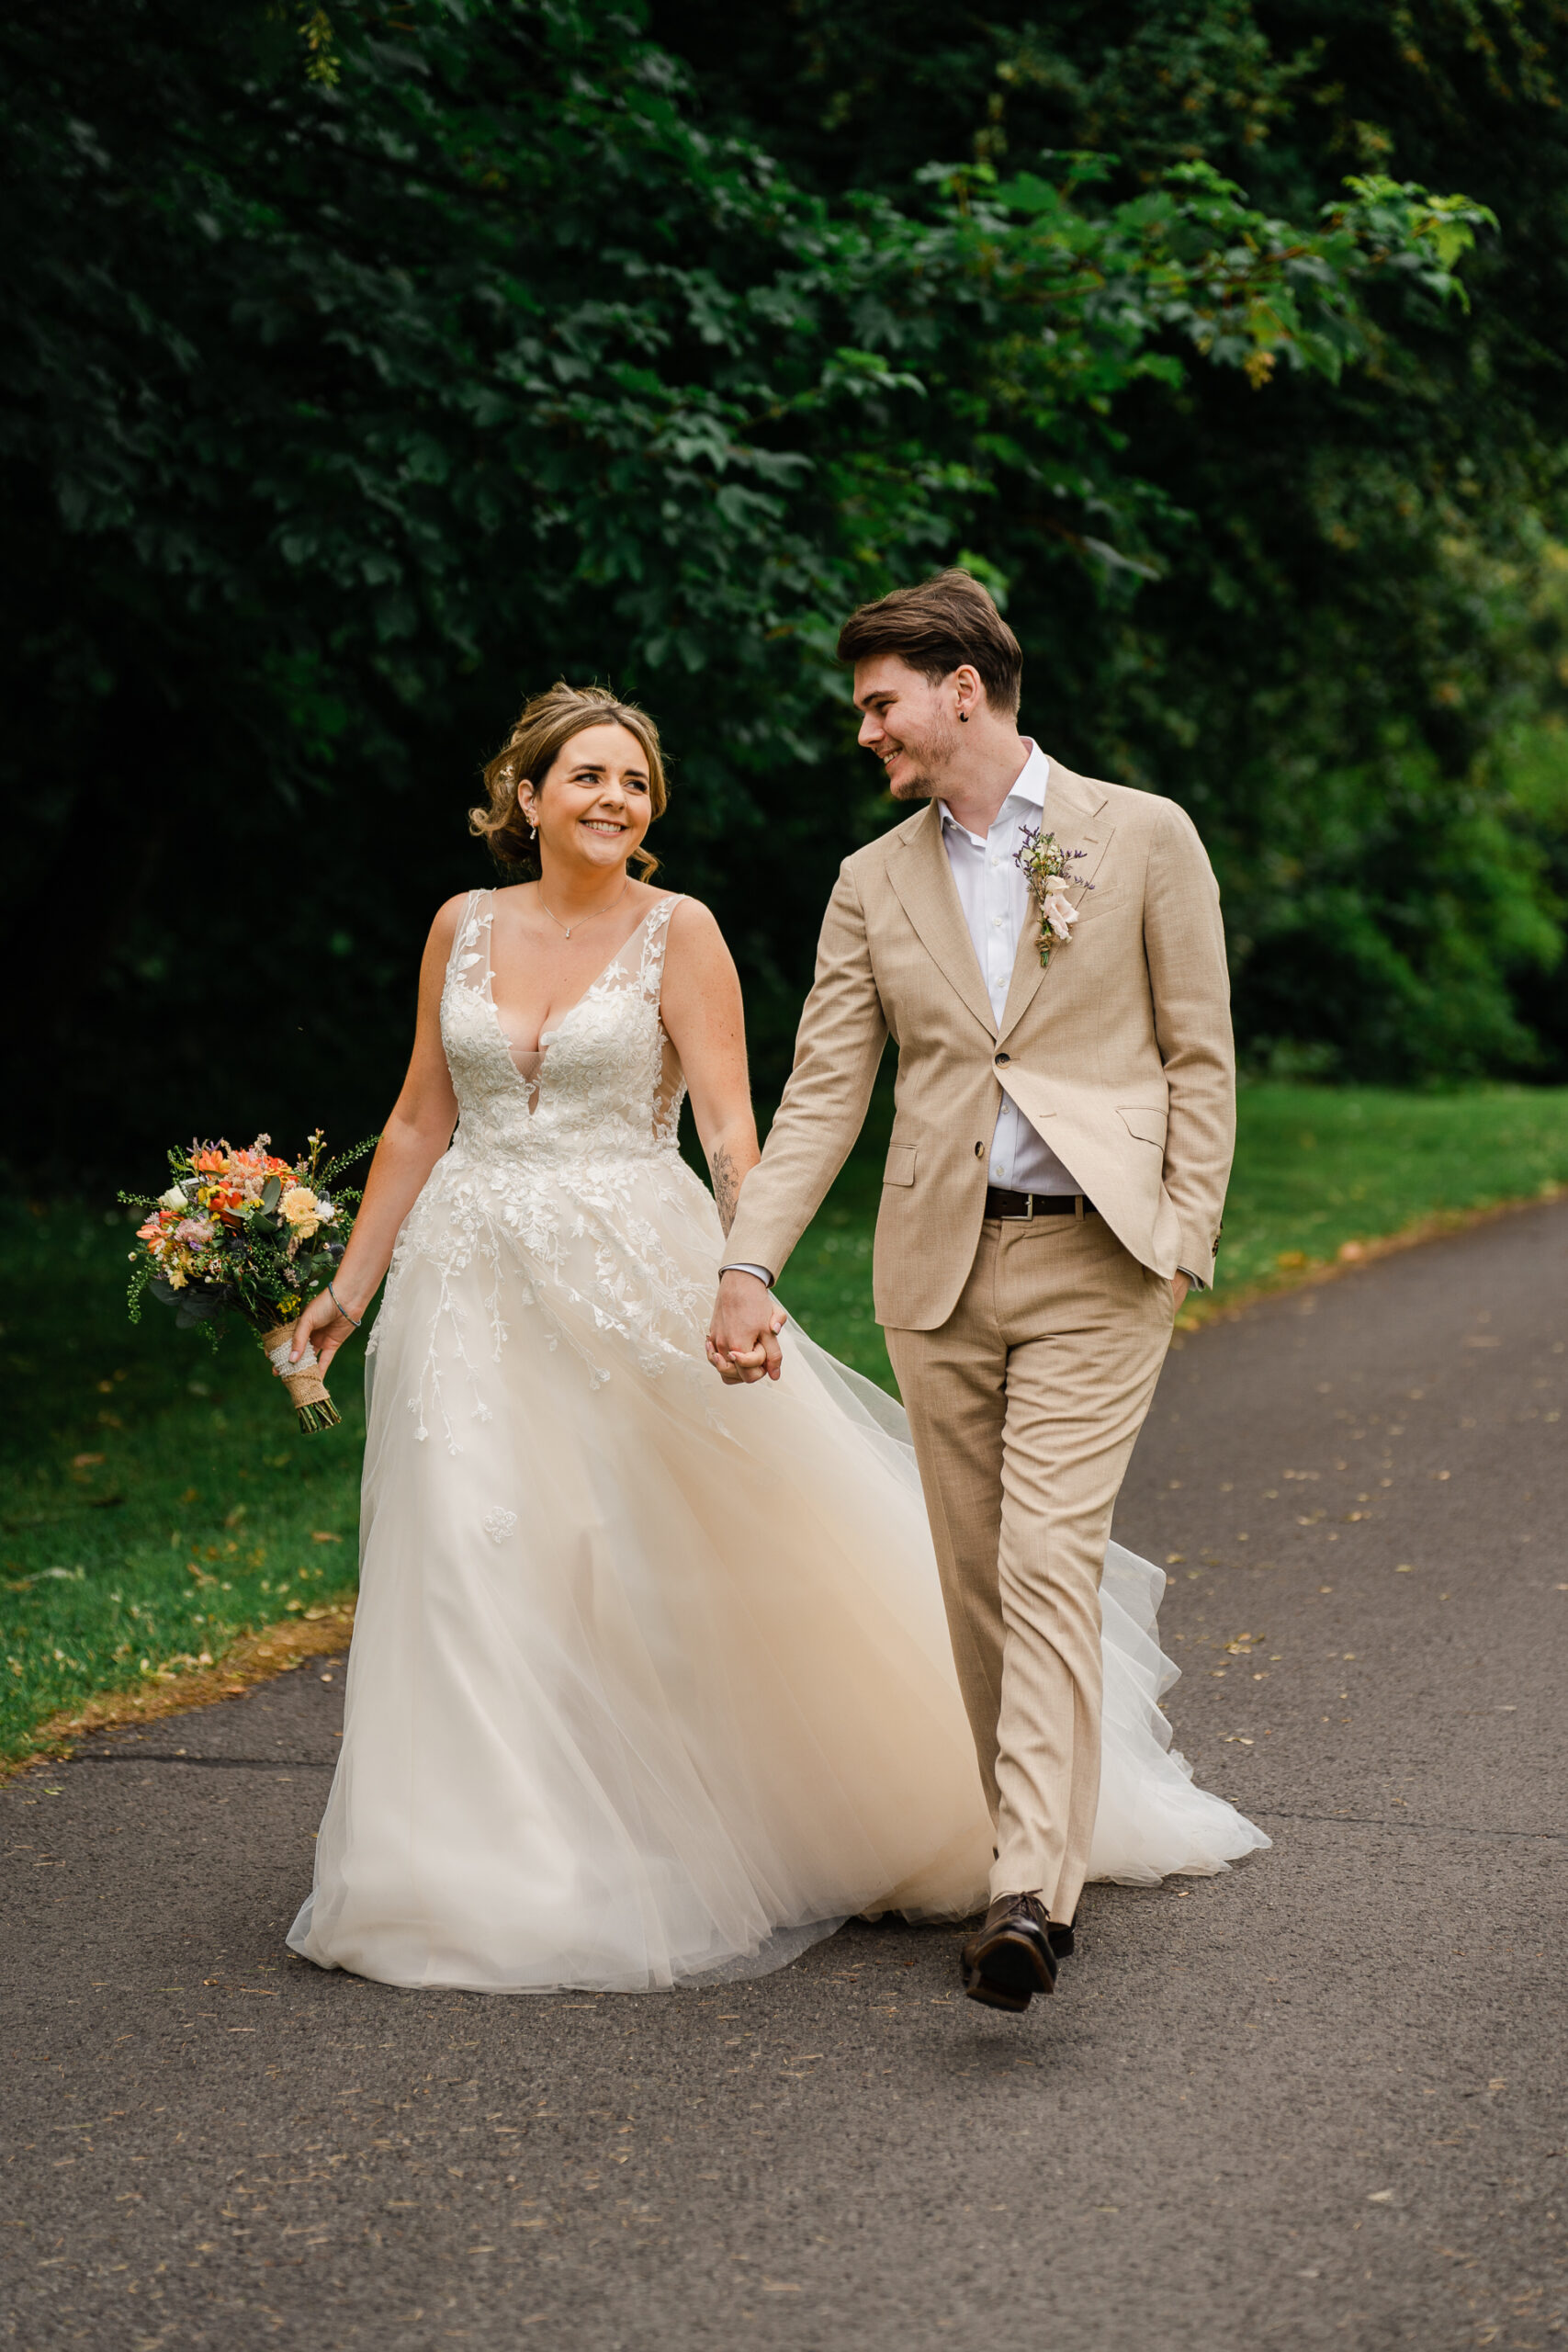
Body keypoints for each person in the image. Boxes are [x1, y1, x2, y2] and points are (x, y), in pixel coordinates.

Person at [286, 677, 1263, 2000]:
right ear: (526, 797)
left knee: (629, 1557)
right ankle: (478, 1869)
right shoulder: (460, 926)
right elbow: (416, 1119)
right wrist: (351, 1285)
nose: (614, 799)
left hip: (634, 1274)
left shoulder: (679, 932)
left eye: (634, 782)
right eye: (586, 776)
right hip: (465, 1280)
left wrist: (747, 1273)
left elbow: (744, 1130)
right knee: (467, 1547)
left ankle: (905, 1811)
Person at [709, 570, 1245, 2012]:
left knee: (1045, 1560)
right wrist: (748, 1262)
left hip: (1097, 1256)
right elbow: (824, 1092)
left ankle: (1029, 1890)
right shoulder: (870, 882)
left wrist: (1182, 1228)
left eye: (880, 704)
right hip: (936, 1268)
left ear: (961, 688)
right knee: (972, 1586)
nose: (866, 733)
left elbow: (1201, 1051)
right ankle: (1037, 1841)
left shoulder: (1143, 835)